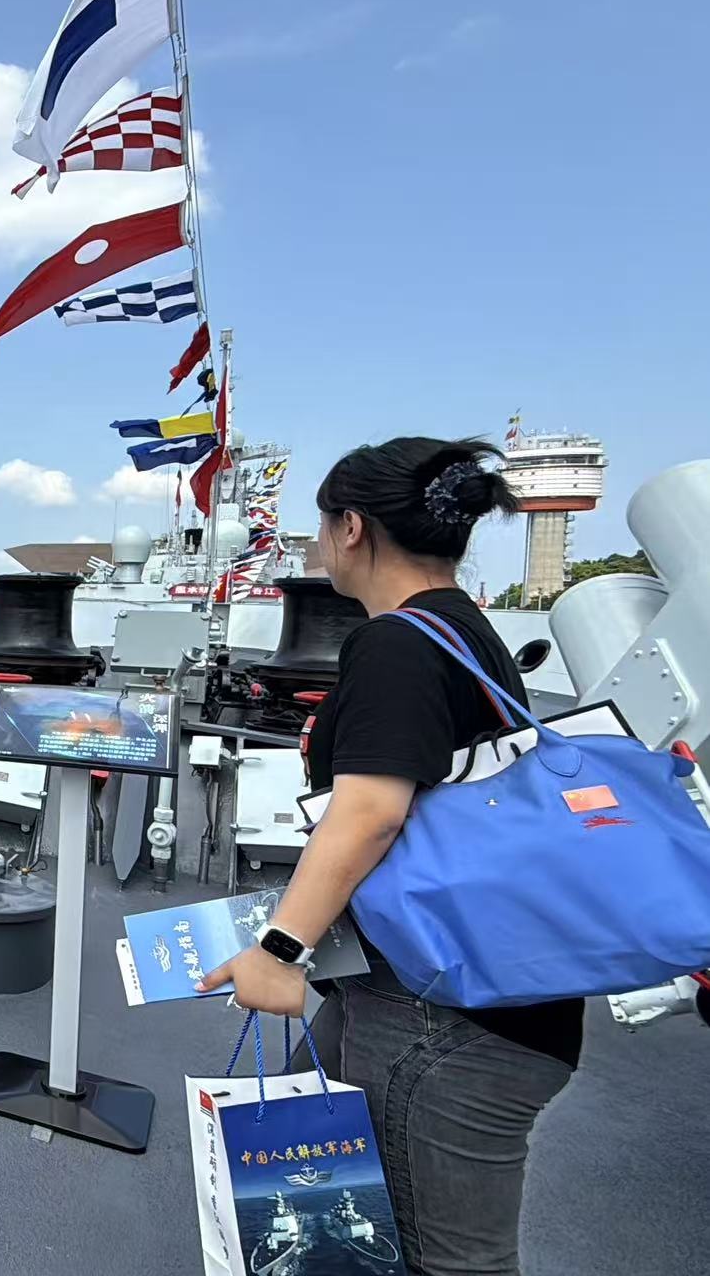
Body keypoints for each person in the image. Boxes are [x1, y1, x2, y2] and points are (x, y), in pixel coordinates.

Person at [202, 436, 581, 1275]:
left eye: (319, 526)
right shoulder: (465, 633)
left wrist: (278, 950)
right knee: (311, 1189)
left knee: (450, 1261)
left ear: (350, 528)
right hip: (439, 983)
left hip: (443, 1017)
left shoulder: (395, 643)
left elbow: (371, 812)